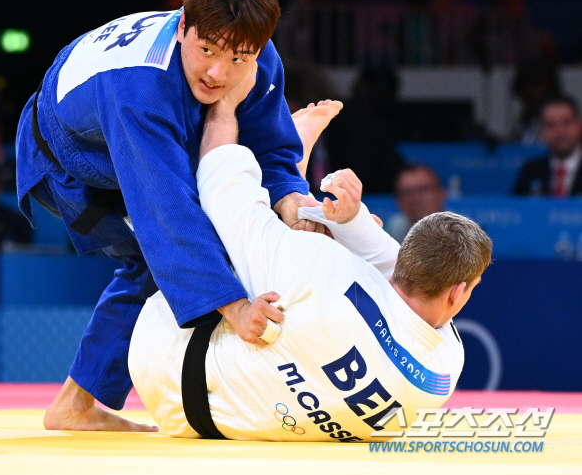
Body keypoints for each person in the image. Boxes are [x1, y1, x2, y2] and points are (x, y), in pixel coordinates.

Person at [16, 0, 336, 432]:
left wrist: (289, 194)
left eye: (238, 59)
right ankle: (75, 404)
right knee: (160, 256)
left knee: (242, 190)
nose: (217, 71)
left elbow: (267, 142)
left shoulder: (256, 52)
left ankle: (76, 401)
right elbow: (167, 214)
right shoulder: (138, 92)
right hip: (72, 156)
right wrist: (236, 307)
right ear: (182, 24)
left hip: (165, 129)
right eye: (206, 50)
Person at [128, 96, 492, 442]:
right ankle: (295, 188)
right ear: (458, 291)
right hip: (194, 421)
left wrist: (223, 108)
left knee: (247, 230)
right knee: (300, 257)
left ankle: (288, 175)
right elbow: (392, 271)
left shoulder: (324, 272)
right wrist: (349, 223)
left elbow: (224, 199)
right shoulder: (444, 371)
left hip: (165, 352)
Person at [512, 94, 582, 196]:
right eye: (551, 125)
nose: (560, 132)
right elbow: (517, 208)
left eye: (567, 122)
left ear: (579, 125)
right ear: (541, 131)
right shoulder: (531, 171)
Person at [386, 164, 447, 243]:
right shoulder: (392, 230)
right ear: (397, 201)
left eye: (422, 189)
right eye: (407, 192)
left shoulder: (460, 232)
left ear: (441, 193)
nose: (415, 199)